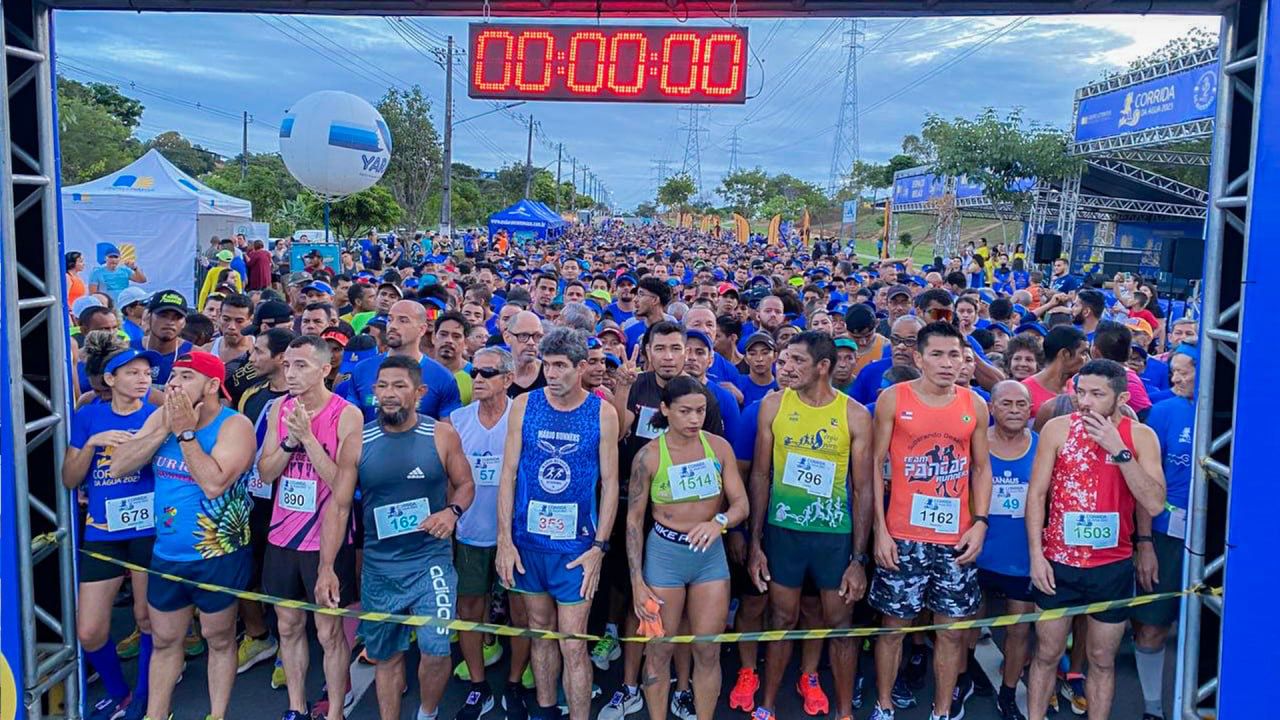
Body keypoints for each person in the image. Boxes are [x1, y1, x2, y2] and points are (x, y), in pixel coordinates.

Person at [316, 354, 474, 720]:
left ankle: (427, 713)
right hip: (380, 568)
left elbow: (466, 483)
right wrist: (326, 567)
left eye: (399, 386)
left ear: (419, 392)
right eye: (382, 386)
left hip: (430, 562)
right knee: (386, 655)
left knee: (436, 649)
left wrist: (451, 513)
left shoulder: (441, 435)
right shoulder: (358, 441)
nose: (389, 393)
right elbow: (339, 508)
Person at [108, 351, 256, 720]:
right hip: (168, 553)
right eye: (173, 375)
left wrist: (186, 433)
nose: (174, 383)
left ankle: (216, 714)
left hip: (217, 554)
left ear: (212, 385)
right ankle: (156, 714)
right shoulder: (162, 417)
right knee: (164, 640)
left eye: (186, 377)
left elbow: (213, 484)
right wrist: (164, 428)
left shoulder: (234, 425)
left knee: (218, 638)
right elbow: (118, 466)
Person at [1025, 360, 1166, 720]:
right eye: (1080, 392)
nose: (1084, 401)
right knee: (1046, 653)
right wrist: (1036, 556)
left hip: (1111, 566)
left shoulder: (1141, 436)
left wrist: (1119, 449)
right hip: (1058, 563)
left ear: (1121, 398)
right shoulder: (1057, 429)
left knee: (1102, 660)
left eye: (1097, 394)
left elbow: (1153, 502)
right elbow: (1037, 494)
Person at [868, 321, 992, 720]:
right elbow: (874, 466)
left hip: (955, 539)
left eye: (954, 355)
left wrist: (980, 522)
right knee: (893, 628)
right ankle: (884, 705)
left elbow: (981, 469)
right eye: (937, 354)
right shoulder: (893, 399)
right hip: (903, 535)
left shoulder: (974, 404)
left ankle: (941, 710)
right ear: (919, 358)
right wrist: (880, 530)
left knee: (951, 632)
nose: (946, 363)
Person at [747, 332, 873, 720]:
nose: (786, 368)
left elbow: (863, 489)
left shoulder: (854, 414)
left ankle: (845, 712)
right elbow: (760, 475)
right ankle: (768, 704)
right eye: (785, 360)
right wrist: (754, 542)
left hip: (833, 536)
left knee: (839, 623)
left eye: (797, 361)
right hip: (784, 531)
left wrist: (859, 559)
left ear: (823, 367)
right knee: (782, 619)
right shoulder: (773, 405)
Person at [496, 328, 620, 720]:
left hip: (576, 548)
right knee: (540, 631)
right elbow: (507, 474)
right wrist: (504, 540)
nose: (551, 373)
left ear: (581, 367)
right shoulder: (524, 405)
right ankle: (546, 711)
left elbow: (611, 484)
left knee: (573, 643)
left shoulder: (602, 412)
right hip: (528, 542)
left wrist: (599, 548)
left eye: (561, 366)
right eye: (547, 365)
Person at [626, 376, 750, 720]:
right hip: (665, 555)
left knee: (707, 651)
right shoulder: (649, 456)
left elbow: (741, 504)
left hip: (709, 558)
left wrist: (719, 521)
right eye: (685, 411)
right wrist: (636, 582)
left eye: (700, 411)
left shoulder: (718, 448)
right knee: (659, 651)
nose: (695, 419)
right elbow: (633, 521)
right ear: (665, 410)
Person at [255, 336, 364, 720]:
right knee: (287, 626)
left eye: (301, 365)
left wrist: (307, 438)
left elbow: (342, 485)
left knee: (328, 632)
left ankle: (334, 710)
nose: (291, 373)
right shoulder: (279, 408)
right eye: (287, 365)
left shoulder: (347, 414)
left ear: (325, 369)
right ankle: (296, 706)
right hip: (282, 536)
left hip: (327, 539)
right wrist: (289, 440)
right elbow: (266, 472)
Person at [65, 337, 160, 720]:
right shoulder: (88, 417)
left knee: (146, 618)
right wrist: (92, 444)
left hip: (149, 529)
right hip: (103, 531)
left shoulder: (156, 414)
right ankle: (119, 693)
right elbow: (69, 479)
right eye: (133, 373)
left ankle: (143, 698)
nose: (143, 379)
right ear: (110, 378)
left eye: (147, 373)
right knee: (89, 630)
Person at [448, 348, 523, 720]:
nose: (477, 378)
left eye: (487, 373)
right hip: (470, 533)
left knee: (523, 613)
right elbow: (448, 476)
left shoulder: (521, 416)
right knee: (469, 610)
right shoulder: (457, 419)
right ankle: (479, 686)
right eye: (474, 372)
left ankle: (514, 683)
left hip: (516, 536)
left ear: (508, 379)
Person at [1131, 346, 1197, 720]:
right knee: (1153, 625)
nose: (1176, 378)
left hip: (1222, 538)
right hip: (1166, 534)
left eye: (1184, 371)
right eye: (1173, 371)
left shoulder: (1235, 412)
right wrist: (1144, 543)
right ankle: (1153, 707)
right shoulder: (1164, 412)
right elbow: (1145, 483)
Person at [976, 381, 1039, 720]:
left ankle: (1009, 693)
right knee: (967, 623)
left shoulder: (1041, 446)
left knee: (1018, 629)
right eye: (1006, 403)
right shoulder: (977, 443)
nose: (1014, 410)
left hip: (1021, 555)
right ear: (991, 407)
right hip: (978, 550)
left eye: (1021, 404)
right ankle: (964, 677)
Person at [343, 299, 462, 421]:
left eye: (403, 320)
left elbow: (448, 428)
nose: (393, 326)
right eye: (390, 319)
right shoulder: (362, 369)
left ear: (422, 329)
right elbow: (351, 423)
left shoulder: (442, 377)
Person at [1023, 326, 1088, 418]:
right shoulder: (1024, 391)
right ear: (1065, 354)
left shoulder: (1077, 389)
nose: (1087, 359)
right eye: (1083, 353)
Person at [136, 290, 195, 387]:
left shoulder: (194, 355)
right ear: (148, 317)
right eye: (163, 315)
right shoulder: (127, 349)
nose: (170, 322)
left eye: (177, 317)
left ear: (184, 323)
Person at [205, 292, 255, 364]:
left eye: (239, 321)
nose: (232, 327)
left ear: (251, 320)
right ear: (219, 316)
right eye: (226, 319)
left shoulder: (260, 351)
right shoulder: (207, 351)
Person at [507, 310, 547, 396]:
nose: (531, 342)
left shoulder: (550, 374)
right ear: (507, 338)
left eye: (537, 336)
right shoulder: (496, 375)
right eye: (523, 335)